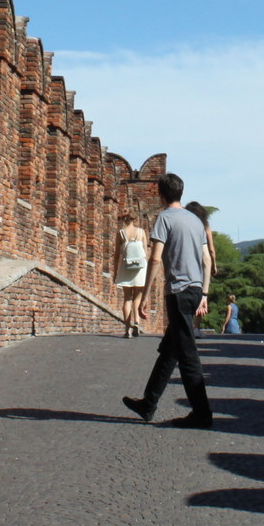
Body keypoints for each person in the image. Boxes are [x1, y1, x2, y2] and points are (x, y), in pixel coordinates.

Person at [122, 174, 215, 428]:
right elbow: (207, 261)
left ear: (161, 194)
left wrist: (145, 293)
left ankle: (202, 414)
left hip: (178, 292)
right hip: (195, 290)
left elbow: (155, 258)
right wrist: (204, 293)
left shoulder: (164, 218)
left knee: (187, 355)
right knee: (171, 350)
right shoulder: (196, 221)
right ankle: (148, 404)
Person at [109, 213, 150, 338]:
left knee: (127, 298)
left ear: (123, 219)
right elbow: (145, 252)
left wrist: (115, 272)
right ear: (134, 219)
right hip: (140, 268)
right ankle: (137, 321)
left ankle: (127, 329)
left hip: (126, 267)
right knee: (137, 297)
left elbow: (116, 255)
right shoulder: (141, 232)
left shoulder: (120, 233)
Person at [185, 202, 219, 330]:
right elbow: (211, 248)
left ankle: (187, 324)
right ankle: (197, 327)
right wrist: (213, 264)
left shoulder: (186, 224)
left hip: (188, 260)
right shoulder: (205, 226)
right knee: (201, 292)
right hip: (201, 262)